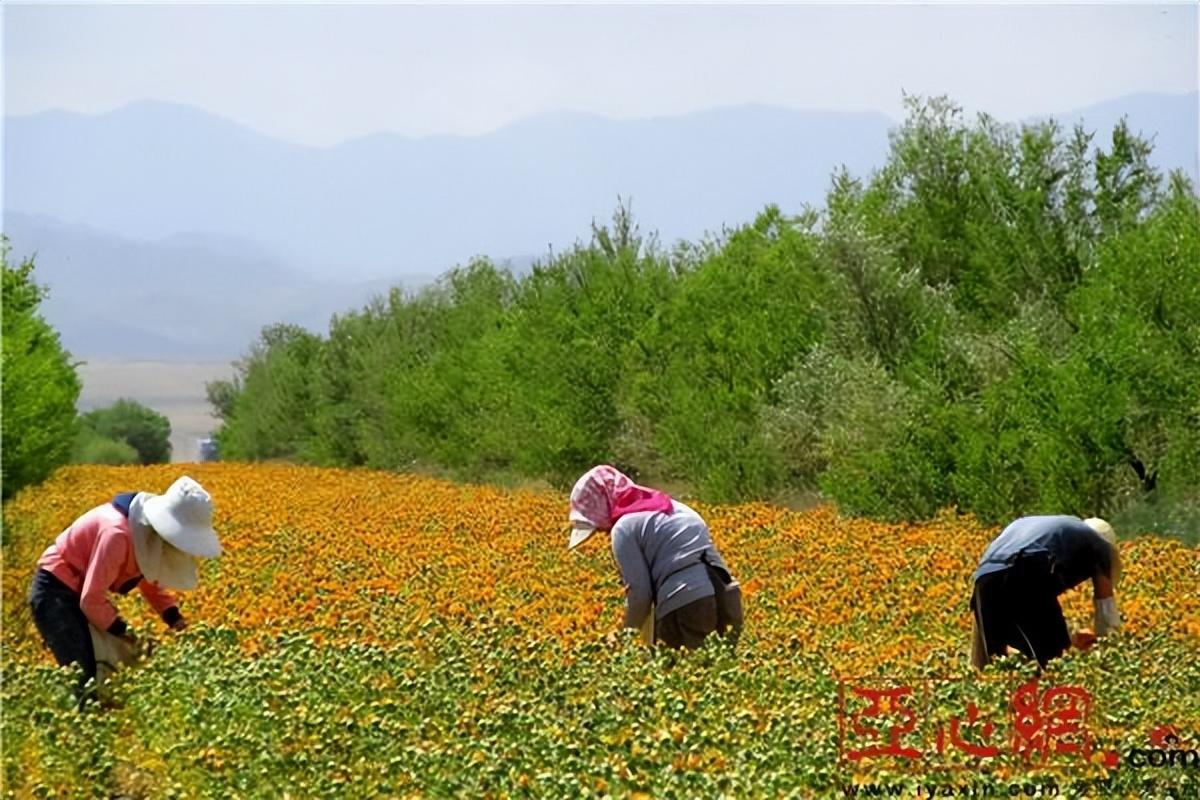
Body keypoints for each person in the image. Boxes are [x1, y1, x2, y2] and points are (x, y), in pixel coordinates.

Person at [28, 476, 222, 705]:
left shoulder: (143, 532)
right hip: (55, 593)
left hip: (75, 593)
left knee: (103, 672)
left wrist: (173, 616)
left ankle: (88, 724)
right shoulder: (117, 534)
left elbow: (149, 576)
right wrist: (126, 633)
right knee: (86, 674)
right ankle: (71, 729)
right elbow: (91, 600)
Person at [567, 465, 743, 649]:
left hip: (683, 607)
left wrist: (625, 636)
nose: (603, 533)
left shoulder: (624, 527)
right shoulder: (677, 509)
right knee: (711, 669)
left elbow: (641, 594)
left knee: (677, 672)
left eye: (599, 527)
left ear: (603, 506)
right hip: (724, 601)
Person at [969, 515, 1121, 669]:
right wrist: (1109, 648)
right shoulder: (1098, 546)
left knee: (998, 659)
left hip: (984, 577)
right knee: (1052, 661)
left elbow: (1039, 614)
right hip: (1027, 569)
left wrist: (1068, 637)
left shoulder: (1061, 534)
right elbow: (1105, 605)